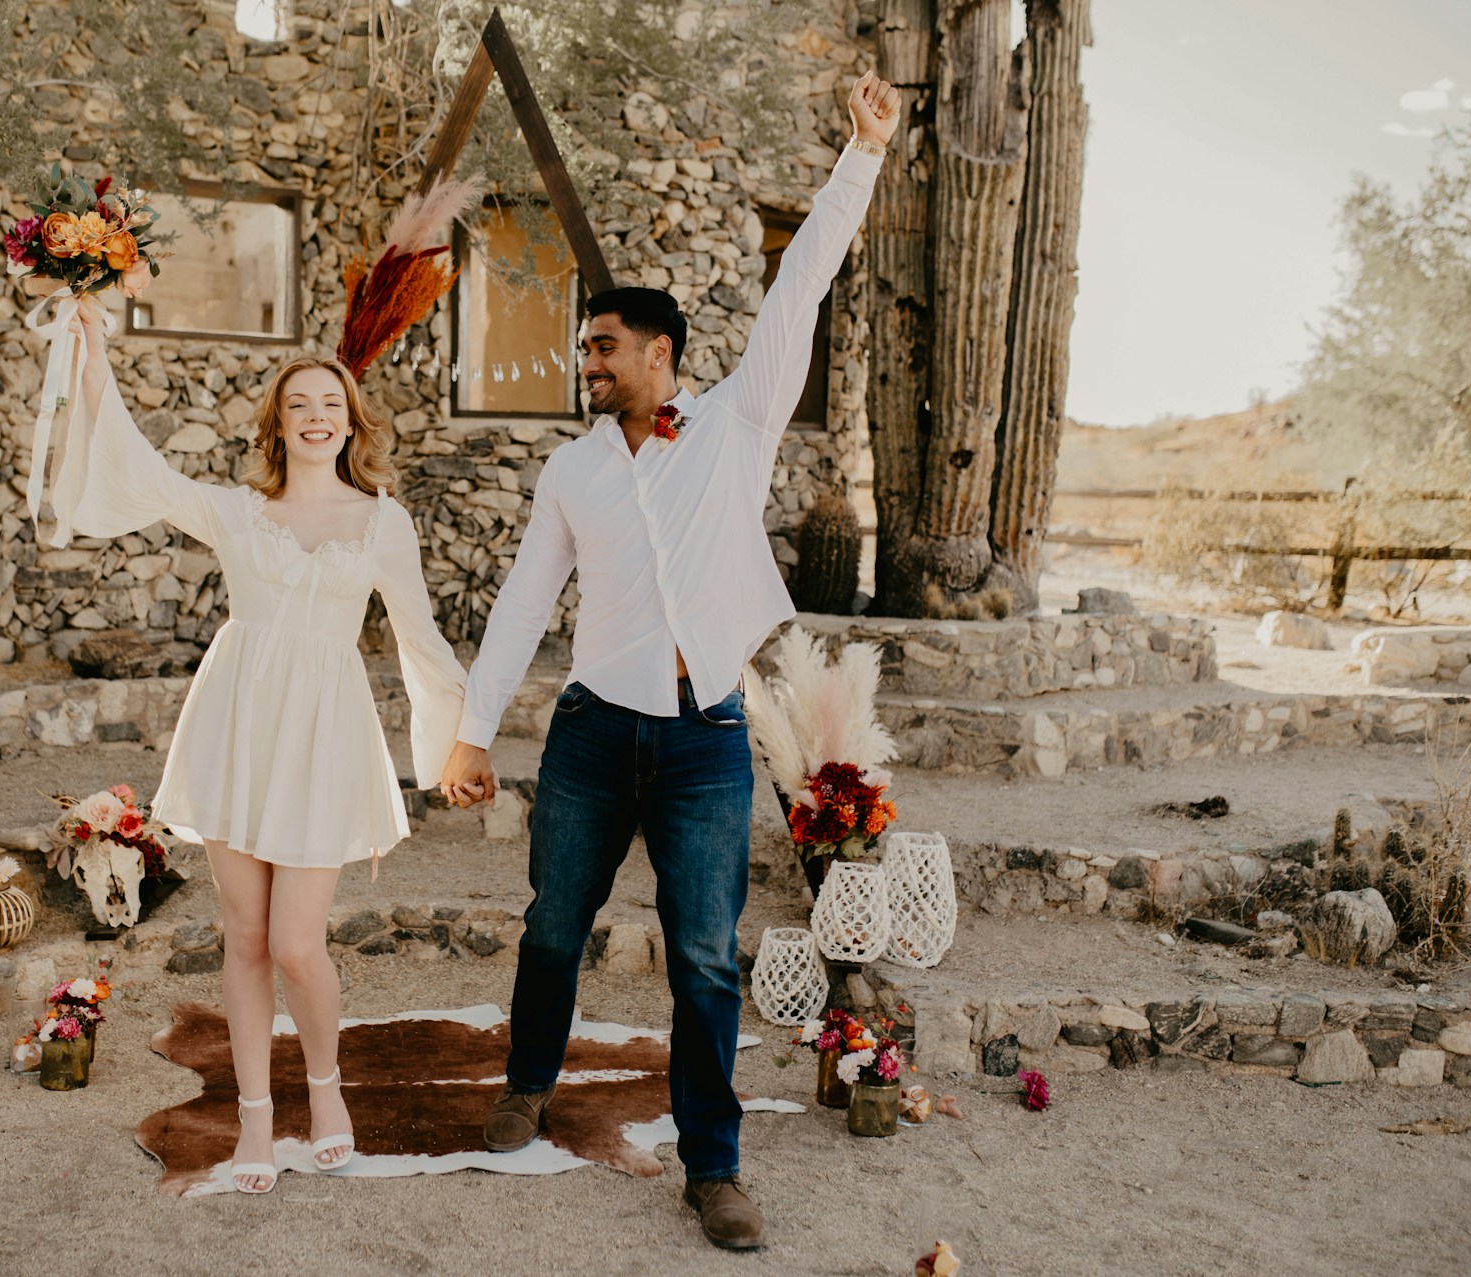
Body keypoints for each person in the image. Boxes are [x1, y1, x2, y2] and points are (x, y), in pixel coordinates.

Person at [439, 69, 901, 1249]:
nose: (586, 363)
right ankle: (527, 1082)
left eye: (602, 347)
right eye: (585, 347)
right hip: (594, 733)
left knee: (703, 955)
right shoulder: (575, 469)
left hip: (703, 744)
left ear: (660, 351)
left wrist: (863, 154)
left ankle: (715, 1168)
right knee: (554, 923)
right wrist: (473, 726)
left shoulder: (739, 428)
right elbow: (522, 602)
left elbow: (801, 285)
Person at [44, 303, 468, 1195]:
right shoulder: (238, 512)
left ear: (352, 422)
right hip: (238, 722)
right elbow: (142, 472)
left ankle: (328, 1092)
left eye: (332, 404)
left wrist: (457, 744)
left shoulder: (385, 522)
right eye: (299, 404)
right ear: (279, 422)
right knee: (242, 935)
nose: (317, 416)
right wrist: (91, 355)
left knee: (298, 943)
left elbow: (419, 639)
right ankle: (255, 1121)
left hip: (323, 732)